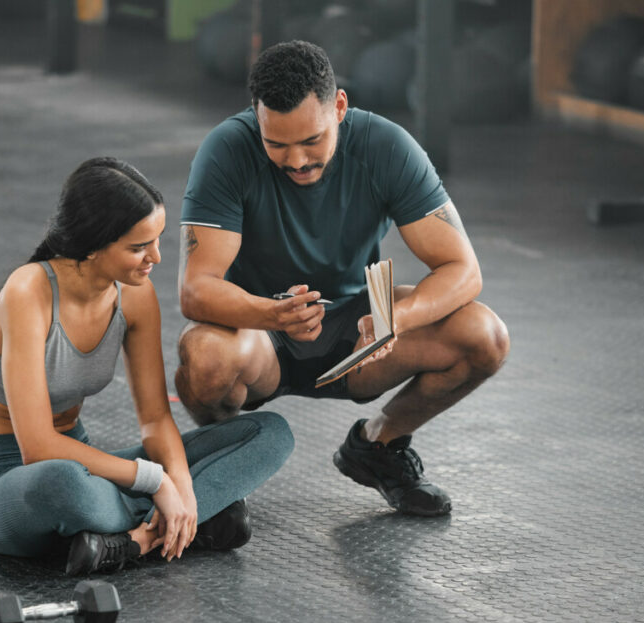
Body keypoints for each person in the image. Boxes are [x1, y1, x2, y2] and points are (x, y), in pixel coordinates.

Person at [176, 41, 509, 517]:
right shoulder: (226, 150)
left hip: (358, 330)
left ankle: (378, 447)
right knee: (205, 359)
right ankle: (219, 475)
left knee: (485, 336)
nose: (296, 161)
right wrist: (273, 313)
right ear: (257, 117)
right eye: (277, 144)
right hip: (260, 331)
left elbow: (463, 270)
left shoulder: (386, 147)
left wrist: (397, 316)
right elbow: (196, 289)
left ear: (339, 106)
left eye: (311, 141)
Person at [0, 157, 293, 576]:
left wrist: (183, 489)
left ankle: (132, 540)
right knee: (64, 486)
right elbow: (39, 448)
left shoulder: (135, 295)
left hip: (87, 464)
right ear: (92, 245)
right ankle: (184, 526)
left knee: (269, 433)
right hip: (9, 479)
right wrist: (156, 483)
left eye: (156, 240)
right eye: (138, 247)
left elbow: (156, 419)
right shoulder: (27, 292)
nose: (155, 256)